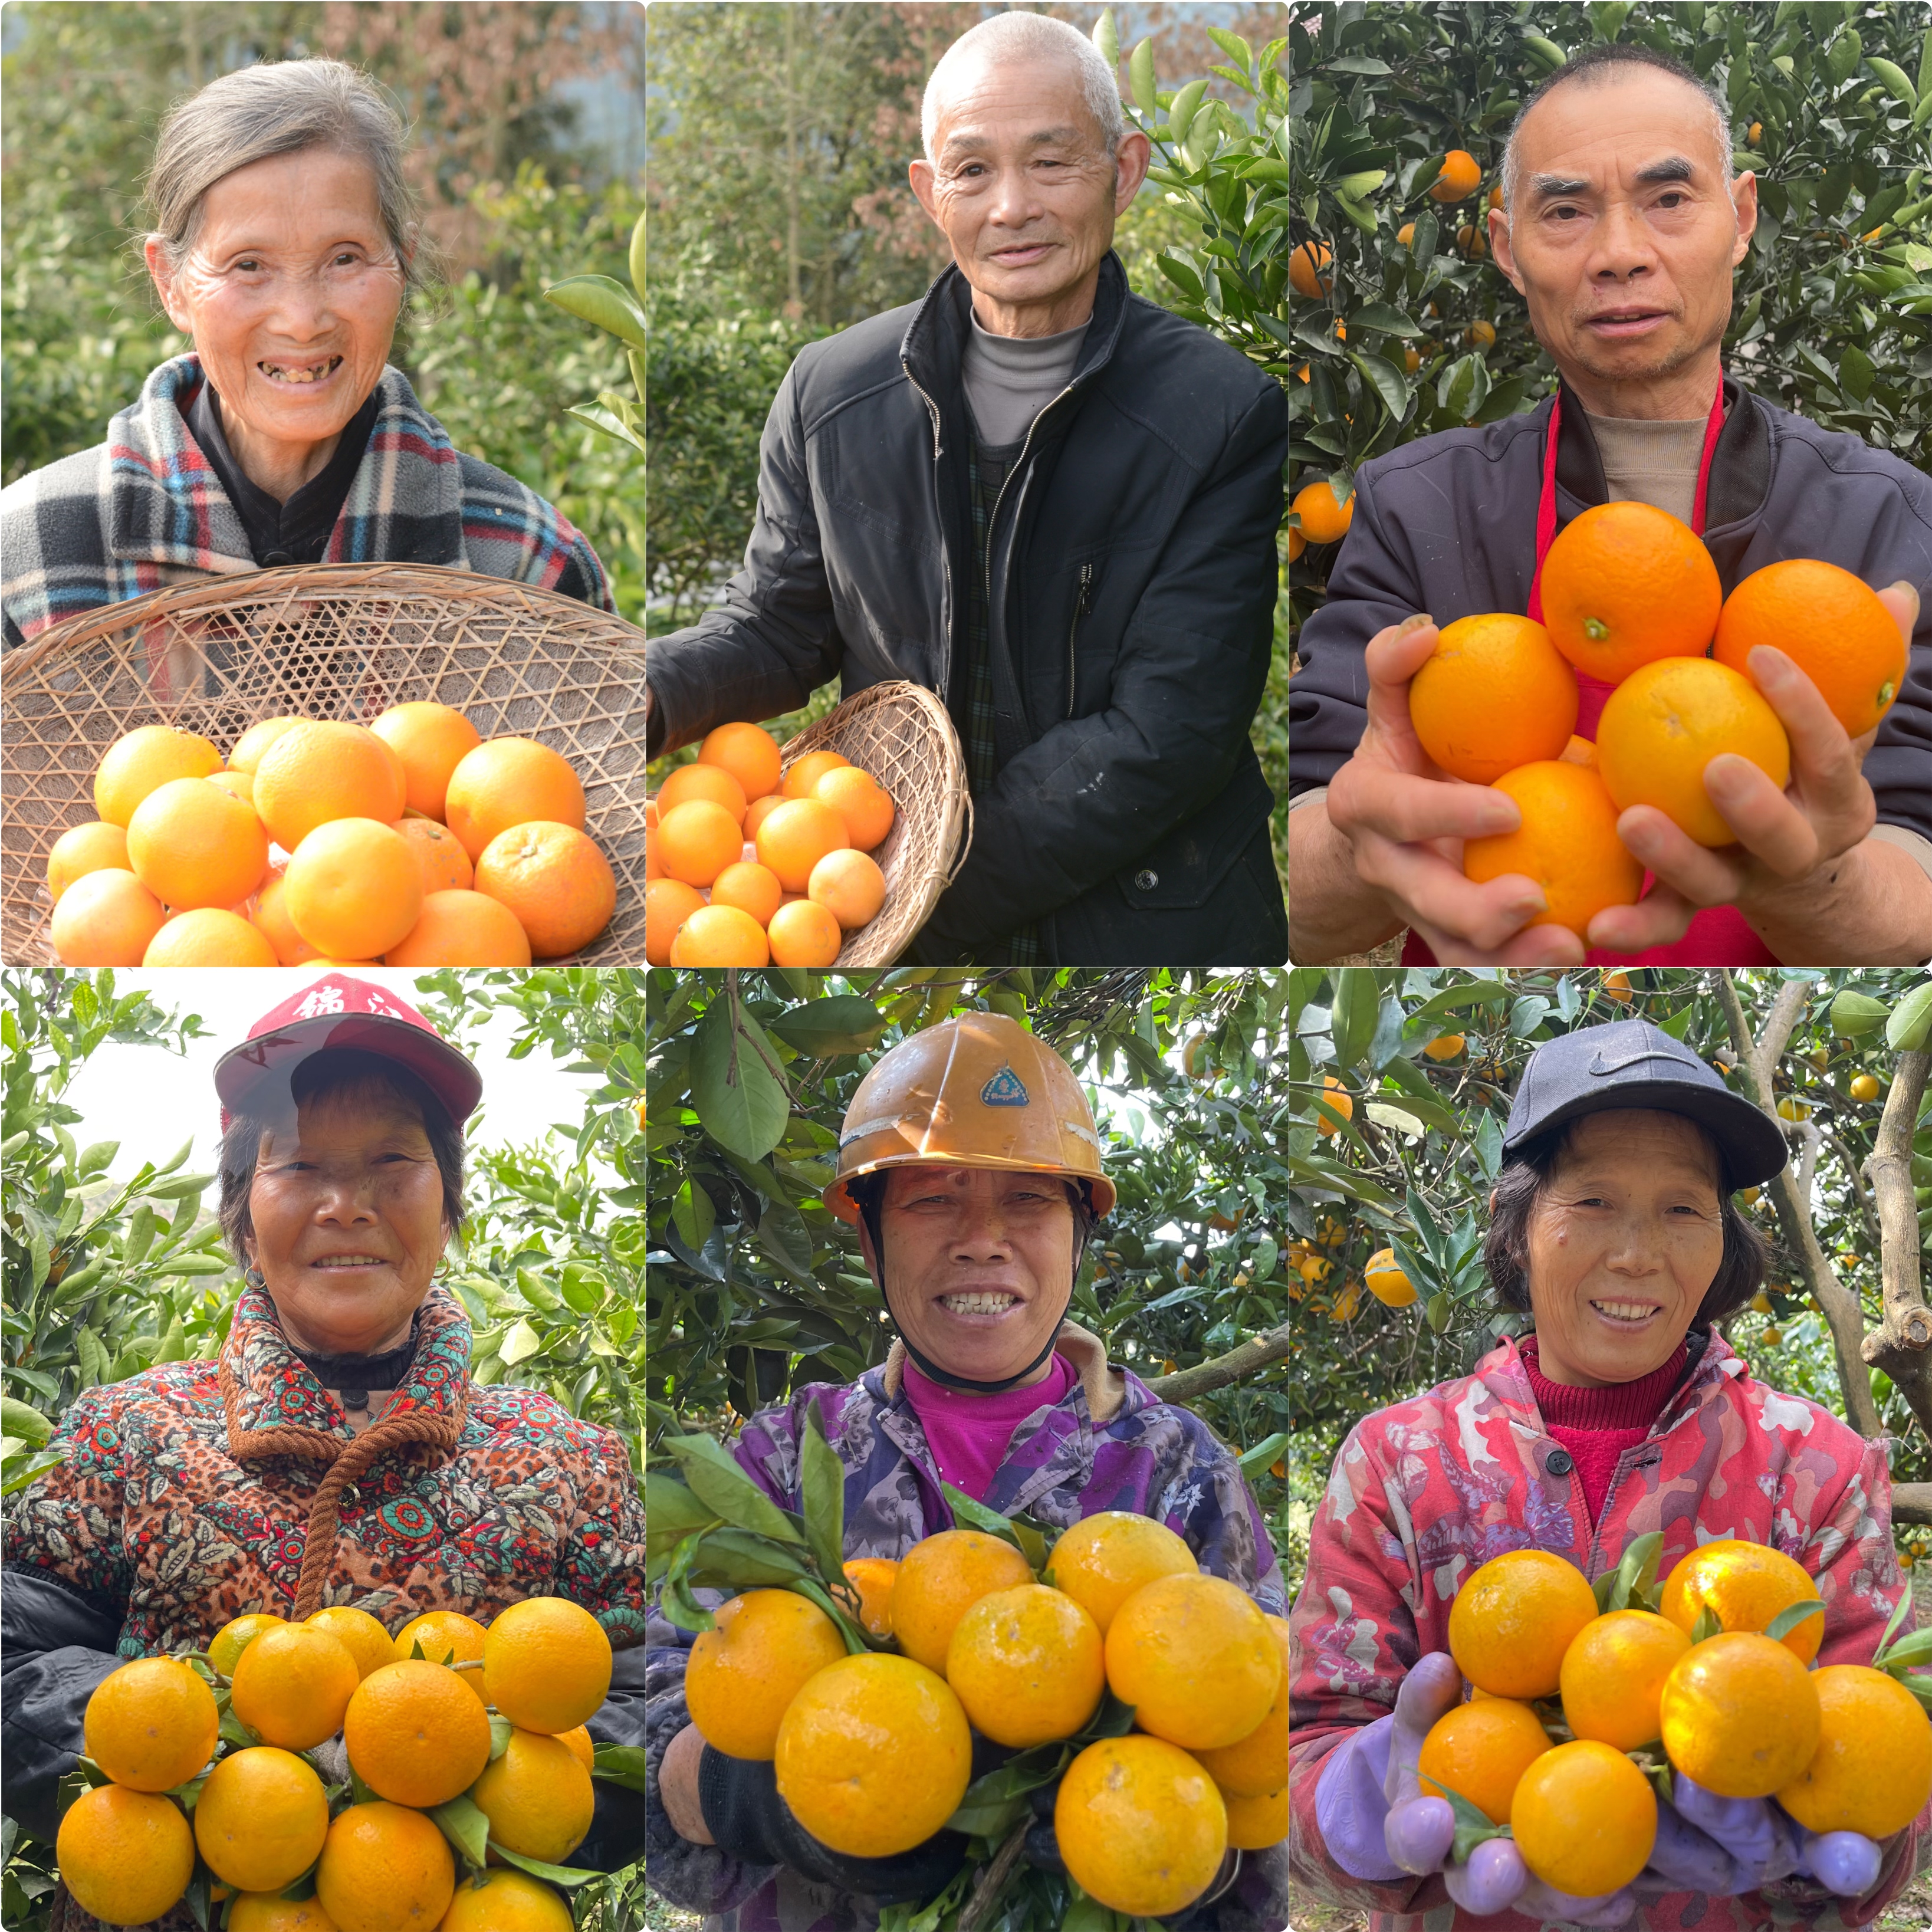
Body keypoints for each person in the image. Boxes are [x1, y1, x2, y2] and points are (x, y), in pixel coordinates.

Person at [643, 14, 1289, 967]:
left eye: (1052, 163)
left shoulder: (1219, 411)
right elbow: (778, 626)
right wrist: (642, 698)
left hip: (1141, 925)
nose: (1012, 206)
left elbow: (1170, 731)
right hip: (887, 895)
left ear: (1125, 171)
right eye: (973, 169)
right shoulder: (831, 393)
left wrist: (913, 891)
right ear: (928, 193)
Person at [0, 975, 649, 1918]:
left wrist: (440, 1778)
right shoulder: (125, 1434)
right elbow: (16, 1657)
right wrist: (222, 1776)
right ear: (243, 1208)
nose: (346, 1204)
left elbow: (640, 1701)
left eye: (393, 1159)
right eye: (300, 1166)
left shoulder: (567, 1460)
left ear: (447, 1198)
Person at [1288, 42, 1932, 969]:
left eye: (1669, 199)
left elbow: (1914, 870)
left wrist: (1811, 881)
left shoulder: (1887, 518)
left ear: (1741, 218)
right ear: (1507, 249)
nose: (1621, 255)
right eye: (1565, 211)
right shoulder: (1418, 505)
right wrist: (1361, 848)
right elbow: (1297, 864)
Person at [643, 1013, 1288, 1931]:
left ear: (1079, 1235)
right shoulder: (788, 1457)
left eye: (1027, 1200)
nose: (982, 1239)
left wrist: (1182, 1859)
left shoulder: (1178, 1467)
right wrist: (751, 1795)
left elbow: (1265, 1762)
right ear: (870, 1242)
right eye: (933, 1200)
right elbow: (650, 1721)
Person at [1288, 1016, 1926, 1930]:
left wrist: (1842, 1853)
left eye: (1682, 1209)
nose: (1637, 1253)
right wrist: (1353, 1816)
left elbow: (1886, 1755)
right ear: (1517, 1226)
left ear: (1723, 1240)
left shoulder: (1814, 1469)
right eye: (1592, 1201)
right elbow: (1301, 1760)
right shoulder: (1399, 1465)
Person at [1, 58, 613, 649]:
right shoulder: (28, 562)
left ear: (401, 264)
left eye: (344, 258)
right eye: (248, 265)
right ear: (171, 284)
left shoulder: (527, 567)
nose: (301, 321)